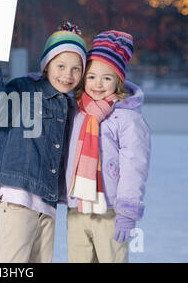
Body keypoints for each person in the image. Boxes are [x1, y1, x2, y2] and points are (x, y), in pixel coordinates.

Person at [0, 22, 87, 263]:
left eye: (76, 69)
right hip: (17, 196)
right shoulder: (24, 89)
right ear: (46, 65)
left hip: (48, 203)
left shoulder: (72, 105)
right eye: (61, 66)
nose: (67, 75)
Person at [62, 30, 151, 263]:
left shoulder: (127, 119)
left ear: (118, 81)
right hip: (77, 209)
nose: (98, 84)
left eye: (107, 78)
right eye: (91, 77)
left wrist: (128, 212)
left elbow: (135, 167)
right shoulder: (75, 112)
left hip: (110, 211)